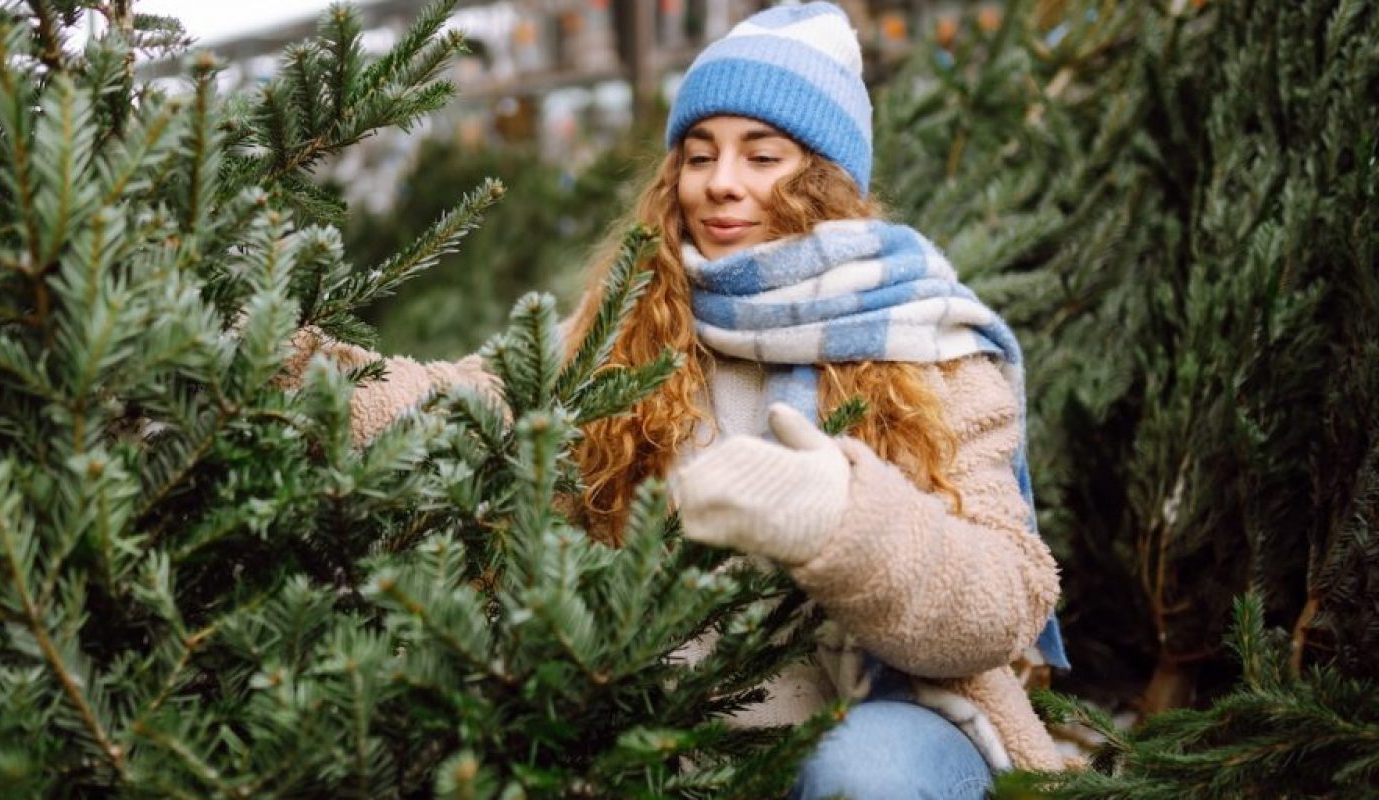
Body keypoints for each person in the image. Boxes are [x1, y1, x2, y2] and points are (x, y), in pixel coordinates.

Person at [282, 3, 1070, 796]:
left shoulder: (931, 347)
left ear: (827, 180)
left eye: (763, 157)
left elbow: (1006, 595)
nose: (721, 184)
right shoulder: (628, 331)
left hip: (884, 731)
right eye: (699, 156)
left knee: (865, 771)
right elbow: (469, 401)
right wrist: (289, 366)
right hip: (668, 744)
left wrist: (843, 519)